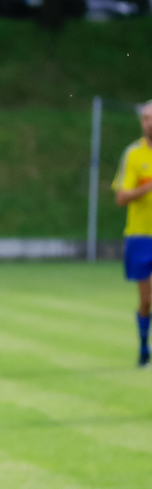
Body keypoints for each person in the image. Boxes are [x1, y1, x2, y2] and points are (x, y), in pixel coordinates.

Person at [113, 100, 152, 366]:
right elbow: (121, 197)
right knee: (146, 300)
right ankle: (143, 346)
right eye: (146, 118)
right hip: (140, 236)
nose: (150, 123)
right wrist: (147, 187)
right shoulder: (133, 154)